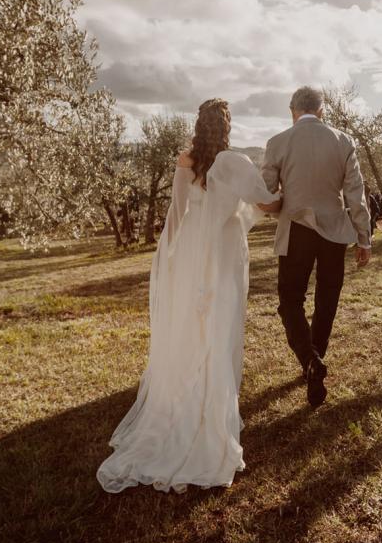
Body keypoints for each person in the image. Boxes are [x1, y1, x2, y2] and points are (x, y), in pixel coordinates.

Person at [98, 99, 281, 494]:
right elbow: (267, 203)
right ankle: (212, 407)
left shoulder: (185, 161)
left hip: (190, 255)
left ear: (199, 126)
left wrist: (169, 261)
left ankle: (189, 399)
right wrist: (284, 190)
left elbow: (177, 215)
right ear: (227, 127)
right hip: (224, 255)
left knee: (192, 325)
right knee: (220, 324)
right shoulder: (236, 162)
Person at [262, 86, 373, 408]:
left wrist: (283, 203)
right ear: (322, 111)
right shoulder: (344, 141)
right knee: (327, 298)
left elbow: (267, 194)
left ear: (292, 111)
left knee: (290, 300)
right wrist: (364, 238)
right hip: (334, 232)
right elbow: (356, 195)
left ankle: (309, 360)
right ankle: (315, 359)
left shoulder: (277, 142)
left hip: (296, 228)